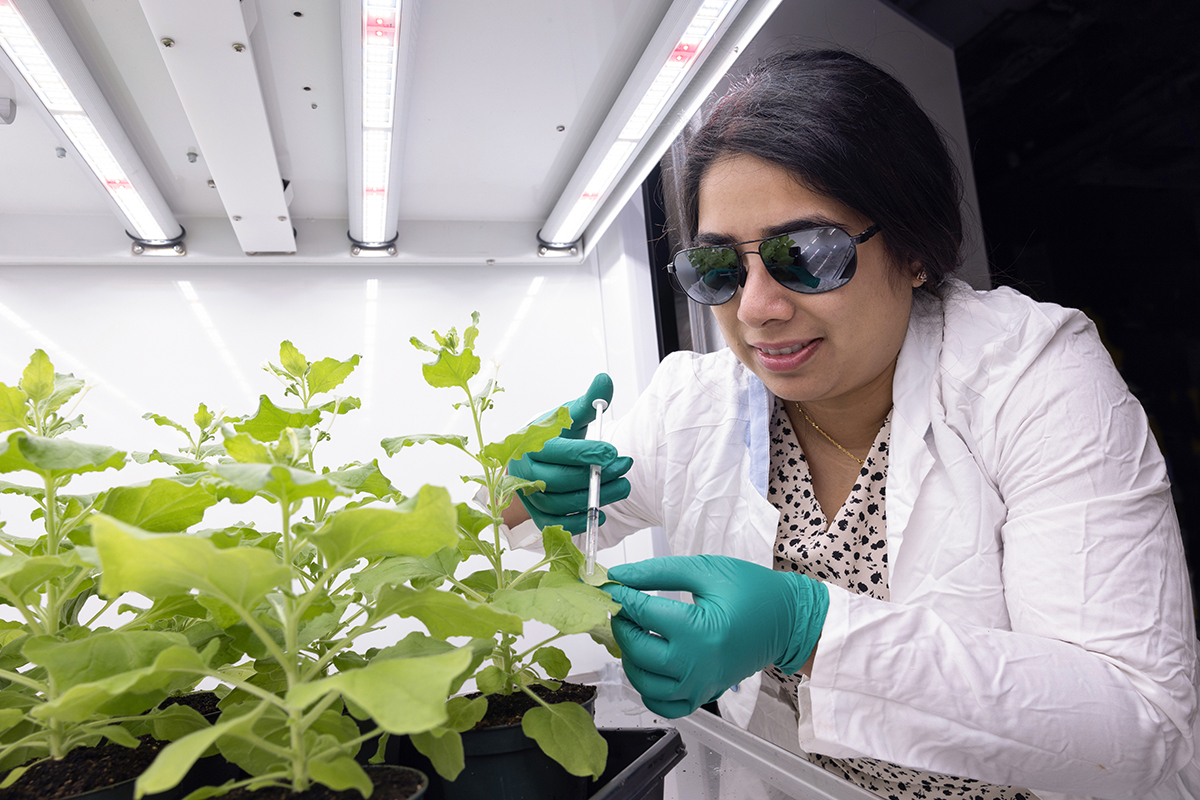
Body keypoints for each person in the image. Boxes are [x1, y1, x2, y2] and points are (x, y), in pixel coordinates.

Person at [504, 49, 1200, 800]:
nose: (755, 309)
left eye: (804, 254)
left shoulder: (1032, 377)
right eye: (718, 267)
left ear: (913, 247)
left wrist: (811, 629)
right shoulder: (696, 406)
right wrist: (517, 482)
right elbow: (514, 532)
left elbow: (1138, 727)